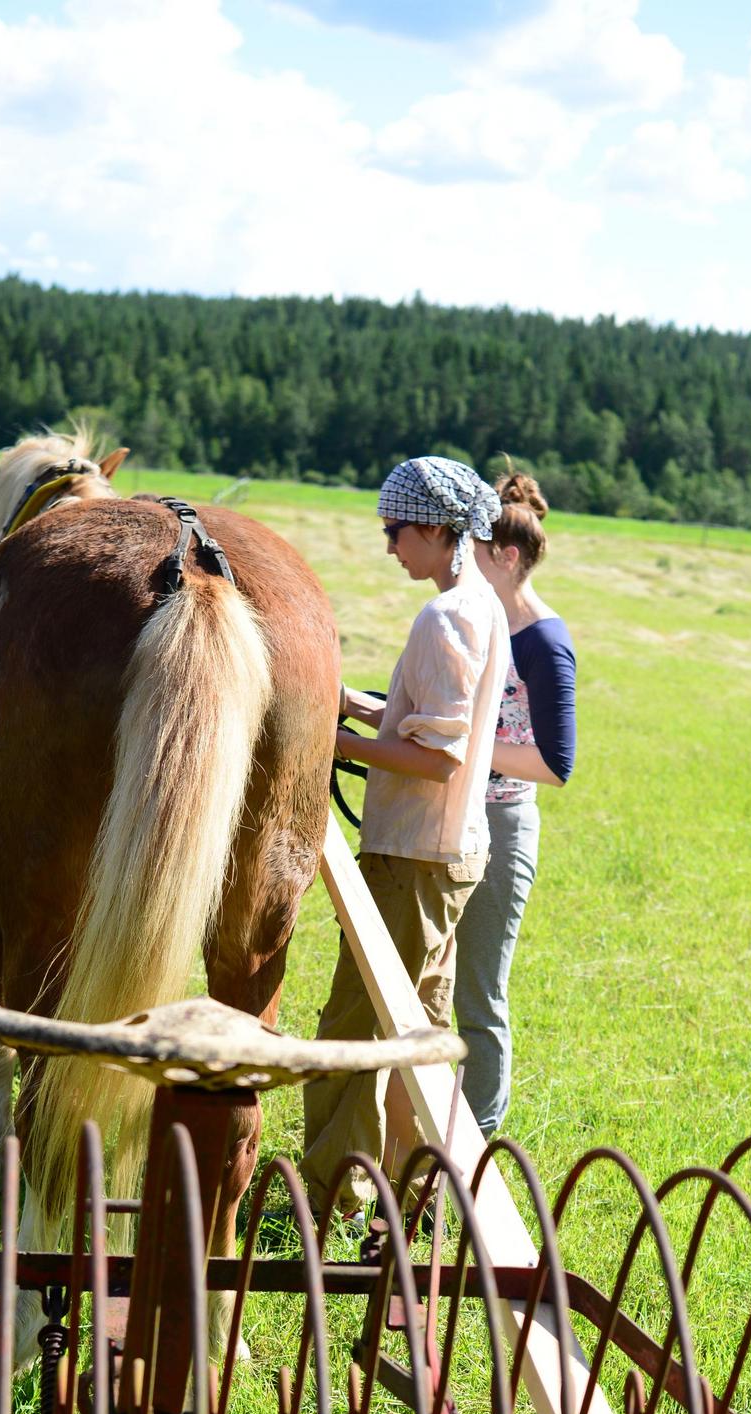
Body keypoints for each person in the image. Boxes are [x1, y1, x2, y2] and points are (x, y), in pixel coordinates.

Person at [302, 455, 508, 1217]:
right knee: (420, 1026)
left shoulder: (446, 616)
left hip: (415, 854)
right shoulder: (480, 604)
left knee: (355, 1028)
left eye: (395, 531)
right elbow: (427, 722)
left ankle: (329, 1194)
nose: (390, 546)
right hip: (448, 851)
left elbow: (437, 753)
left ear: (432, 527)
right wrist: (355, 705)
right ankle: (414, 1182)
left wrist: (335, 743)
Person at [453, 470, 576, 1138]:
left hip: (502, 826)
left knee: (479, 997)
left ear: (505, 556)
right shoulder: (485, 622)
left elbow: (555, 765)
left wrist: (463, 746)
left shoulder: (545, 642)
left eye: (474, 551)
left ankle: (477, 1142)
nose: (464, 562)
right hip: (458, 810)